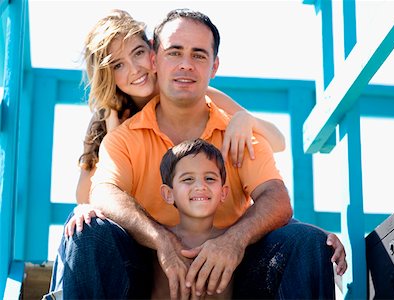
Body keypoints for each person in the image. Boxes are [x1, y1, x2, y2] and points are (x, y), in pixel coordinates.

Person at [54, 8, 346, 299]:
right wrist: (160, 239)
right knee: (84, 230)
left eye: (198, 55)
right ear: (159, 59)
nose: (185, 66)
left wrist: (234, 240)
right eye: (175, 52)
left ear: (213, 66)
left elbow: (276, 194)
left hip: (233, 261)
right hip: (147, 262)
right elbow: (102, 192)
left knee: (309, 242)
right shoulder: (117, 130)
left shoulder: (229, 123)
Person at [75, 9, 287, 205]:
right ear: (107, 74)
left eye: (138, 53)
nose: (135, 70)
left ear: (152, 52)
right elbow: (85, 198)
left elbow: (279, 142)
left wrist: (245, 119)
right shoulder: (107, 117)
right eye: (118, 65)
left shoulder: (191, 92)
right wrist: (113, 130)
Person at [153, 138, 232, 299]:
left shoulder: (231, 244)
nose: (200, 186)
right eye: (188, 179)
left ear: (223, 193)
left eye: (210, 178)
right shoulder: (156, 244)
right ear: (169, 194)